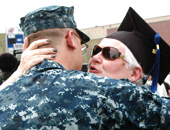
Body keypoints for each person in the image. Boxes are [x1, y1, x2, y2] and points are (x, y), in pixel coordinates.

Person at [0, 6, 170, 130]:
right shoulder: (94, 91)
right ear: (71, 38)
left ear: (135, 73)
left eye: (109, 53)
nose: (95, 57)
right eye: (95, 50)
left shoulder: (115, 95)